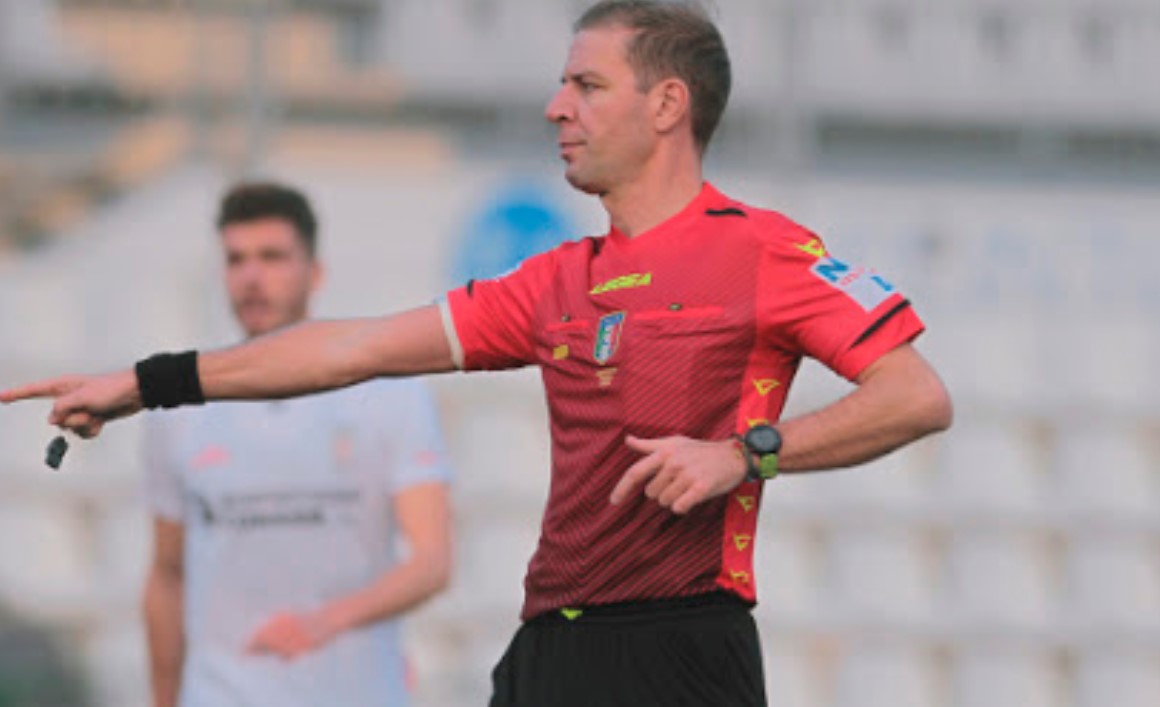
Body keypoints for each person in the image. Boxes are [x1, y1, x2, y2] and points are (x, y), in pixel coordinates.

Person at [2, 3, 952, 705]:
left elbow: (915, 395)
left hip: (680, 644)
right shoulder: (556, 280)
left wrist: (744, 453)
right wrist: (147, 383)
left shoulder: (763, 251)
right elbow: (356, 346)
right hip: (548, 649)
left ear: (668, 104)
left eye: (586, 86)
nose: (555, 107)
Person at [140, 183, 453, 707]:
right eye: (236, 259)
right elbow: (167, 574)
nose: (252, 276)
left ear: (315, 272)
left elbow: (432, 562)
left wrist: (324, 621)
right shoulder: (180, 410)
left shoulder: (389, 394)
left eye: (272, 257)